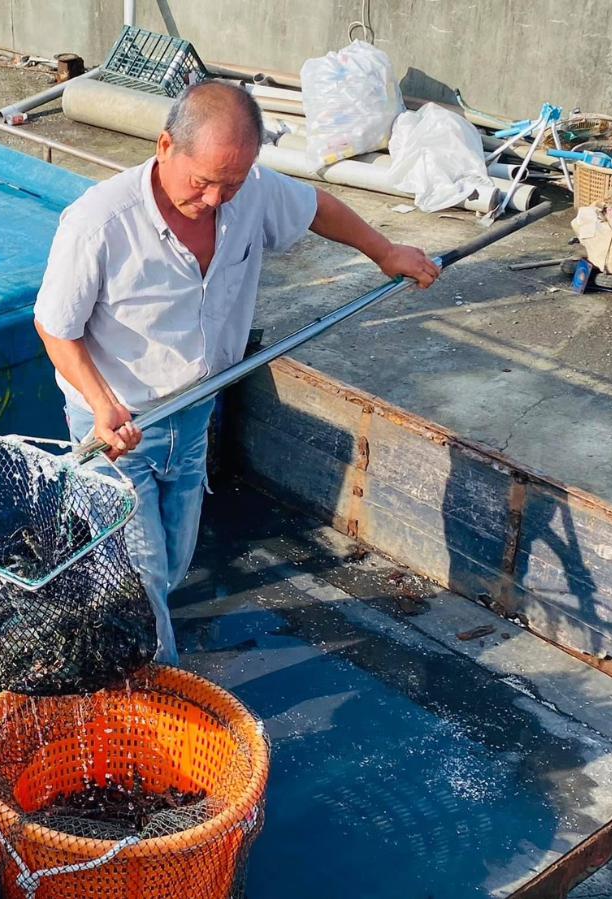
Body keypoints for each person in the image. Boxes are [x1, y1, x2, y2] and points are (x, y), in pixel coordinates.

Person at [33, 81, 439, 665]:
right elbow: (55, 328)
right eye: (203, 183)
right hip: (118, 428)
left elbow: (317, 207)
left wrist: (385, 252)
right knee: (140, 575)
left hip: (195, 412)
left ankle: (132, 635)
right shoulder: (99, 223)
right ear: (166, 145)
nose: (218, 199)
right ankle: (157, 689)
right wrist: (102, 404)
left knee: (173, 558)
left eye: (235, 182)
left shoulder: (246, 193)